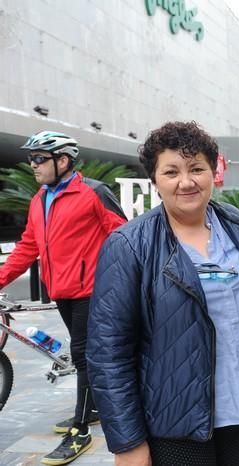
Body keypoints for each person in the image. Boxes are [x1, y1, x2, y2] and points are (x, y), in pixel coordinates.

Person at [87, 121, 239, 466]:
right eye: (171, 171)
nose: (186, 181)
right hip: (174, 420)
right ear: (155, 180)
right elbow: (108, 352)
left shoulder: (235, 225)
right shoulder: (129, 246)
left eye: (197, 168)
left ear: (213, 172)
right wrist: (128, 442)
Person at [0, 130, 126, 465]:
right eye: (31, 159)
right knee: (85, 355)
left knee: (83, 356)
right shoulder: (40, 198)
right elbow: (28, 246)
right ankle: (95, 407)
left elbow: (123, 236)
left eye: (39, 159)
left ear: (63, 161)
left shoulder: (93, 192)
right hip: (63, 293)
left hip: (93, 292)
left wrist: (115, 281)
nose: (33, 165)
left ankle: (80, 429)